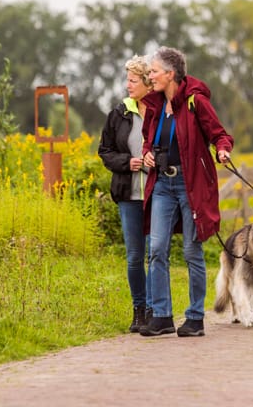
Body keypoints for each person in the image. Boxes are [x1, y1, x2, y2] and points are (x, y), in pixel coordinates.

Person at [138, 46, 233, 337]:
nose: (149, 75)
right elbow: (147, 140)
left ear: (170, 74)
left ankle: (194, 318)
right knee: (156, 250)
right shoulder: (154, 106)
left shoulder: (195, 102)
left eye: (154, 71)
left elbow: (219, 134)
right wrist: (146, 155)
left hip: (190, 186)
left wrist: (222, 150)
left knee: (192, 251)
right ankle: (162, 317)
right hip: (162, 185)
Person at [98, 55, 153, 333]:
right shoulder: (118, 114)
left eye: (133, 80)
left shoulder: (161, 112)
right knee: (134, 256)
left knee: (157, 254)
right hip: (128, 194)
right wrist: (126, 163)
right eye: (127, 79)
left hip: (158, 194)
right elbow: (105, 151)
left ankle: (157, 309)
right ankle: (139, 310)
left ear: (147, 83)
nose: (127, 84)